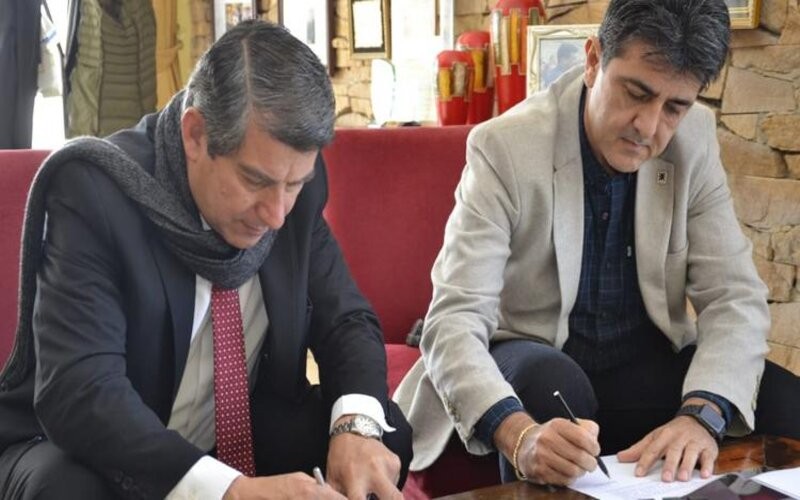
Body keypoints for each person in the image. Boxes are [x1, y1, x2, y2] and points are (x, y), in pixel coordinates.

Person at [395, 0, 799, 488]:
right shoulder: (505, 147)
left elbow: (734, 297)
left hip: (640, 364)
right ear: (593, 60)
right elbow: (453, 319)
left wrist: (702, 415)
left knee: (785, 401)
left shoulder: (693, 140)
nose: (648, 126)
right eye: (636, 93)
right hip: (528, 355)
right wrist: (519, 435)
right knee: (552, 383)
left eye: (674, 107)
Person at [0, 20, 411, 500]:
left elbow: (346, 320)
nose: (277, 215)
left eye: (294, 185)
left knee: (379, 440)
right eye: (255, 181)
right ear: (195, 134)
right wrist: (229, 491)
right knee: (66, 490)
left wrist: (356, 428)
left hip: (239, 428)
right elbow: (81, 390)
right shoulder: (96, 192)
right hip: (95, 445)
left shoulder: (290, 190)